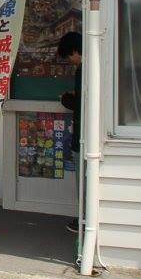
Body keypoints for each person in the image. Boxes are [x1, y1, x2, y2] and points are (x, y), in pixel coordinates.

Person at [57, 31, 83, 233]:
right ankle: (84, 217)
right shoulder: (94, 65)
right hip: (87, 134)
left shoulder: (83, 69)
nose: (70, 61)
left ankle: (83, 218)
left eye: (68, 57)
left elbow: (80, 103)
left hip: (83, 135)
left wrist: (65, 98)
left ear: (75, 51)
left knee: (82, 180)